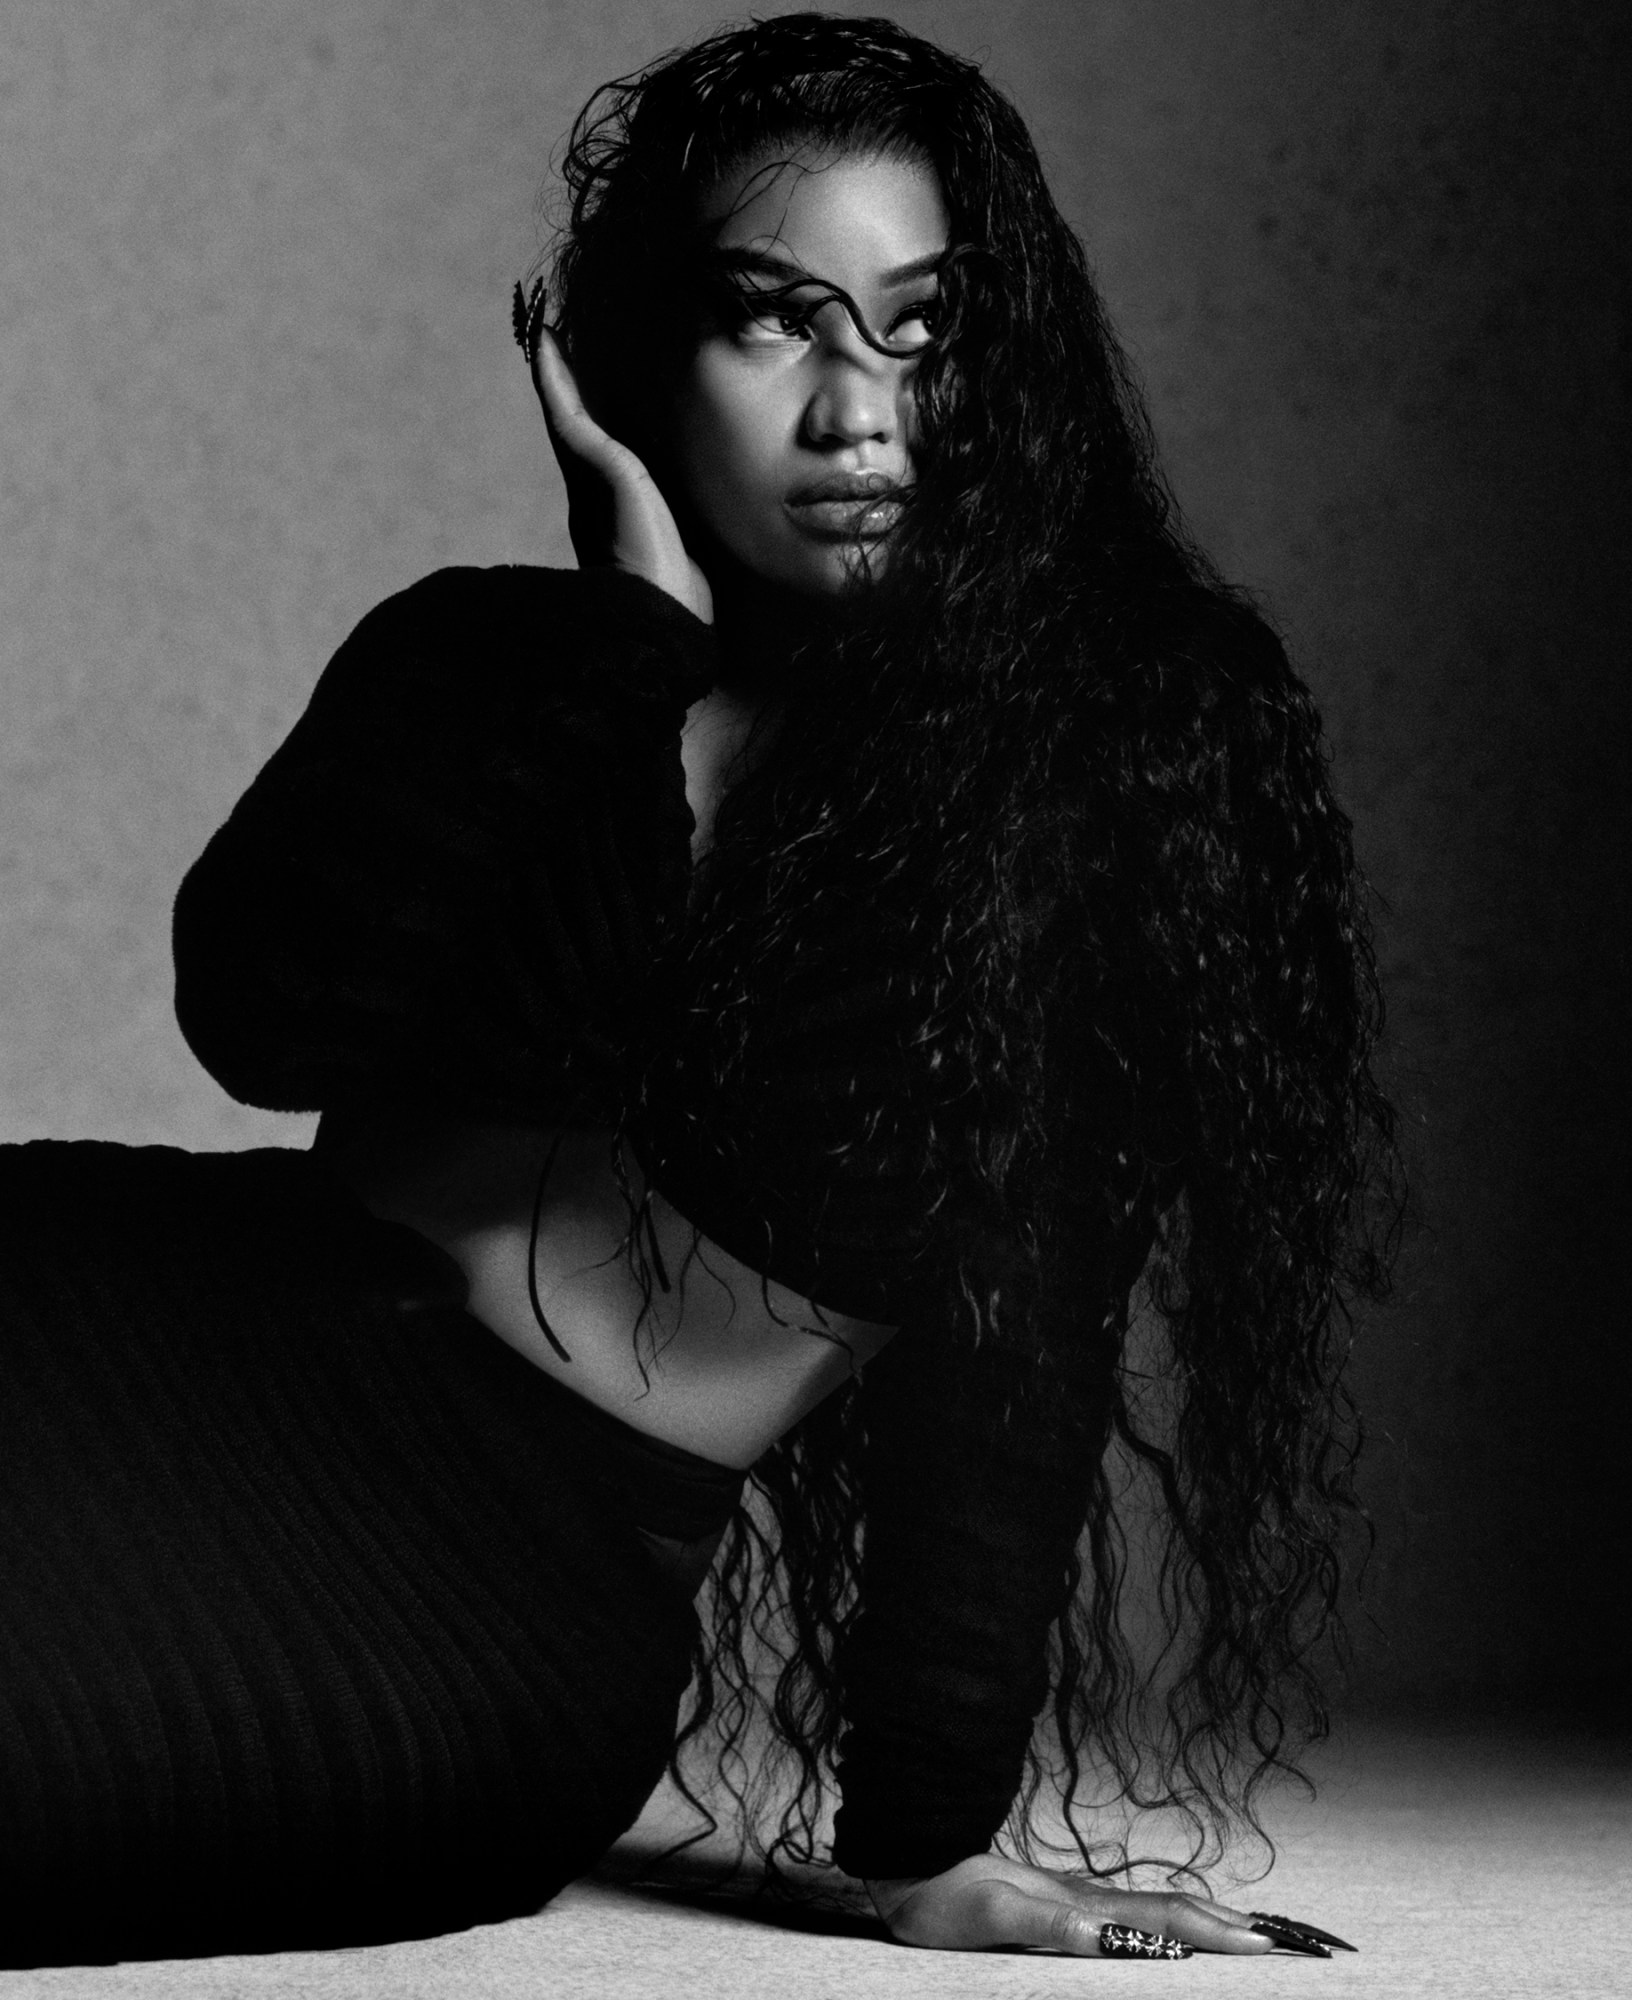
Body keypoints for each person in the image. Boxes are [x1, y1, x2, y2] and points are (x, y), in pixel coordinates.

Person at [0, 12, 1393, 1970]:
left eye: (926, 328)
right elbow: (265, 1023)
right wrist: (626, 648)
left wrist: (925, 1841)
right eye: (774, 322)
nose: (859, 416)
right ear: (643, 351)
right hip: (167, 1306)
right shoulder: (503, 656)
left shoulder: (1097, 770)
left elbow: (1028, 1328)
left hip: (479, 1573)